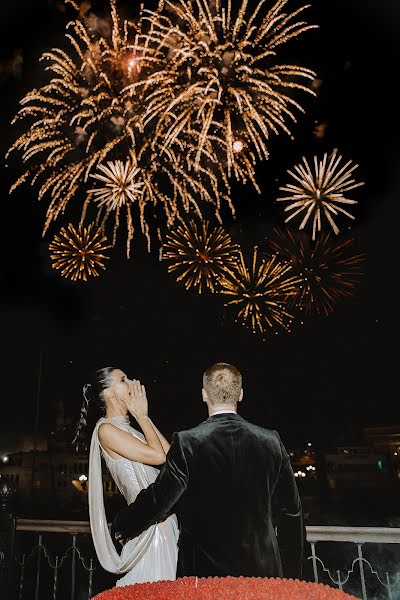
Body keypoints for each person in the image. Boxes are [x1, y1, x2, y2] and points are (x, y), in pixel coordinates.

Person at [112, 362, 303, 579]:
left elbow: (159, 499)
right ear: (240, 394)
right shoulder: (271, 441)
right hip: (261, 571)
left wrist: (122, 525)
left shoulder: (188, 442)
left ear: (204, 394)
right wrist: (291, 576)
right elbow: (291, 513)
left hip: (203, 574)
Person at [73, 367, 178, 586]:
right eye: (123, 379)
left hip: (163, 523)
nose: (132, 382)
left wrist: (144, 417)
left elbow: (170, 457)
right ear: (109, 394)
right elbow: (158, 456)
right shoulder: (106, 430)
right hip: (148, 528)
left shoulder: (131, 429)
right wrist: (141, 415)